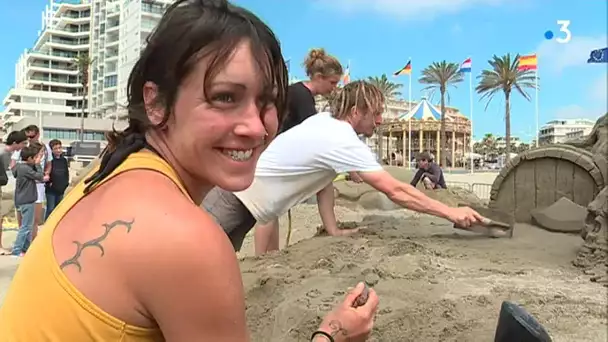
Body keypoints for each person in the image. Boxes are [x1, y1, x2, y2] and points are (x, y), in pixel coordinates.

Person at [0, 1, 378, 341]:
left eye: (267, 101)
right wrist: (331, 336)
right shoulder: (187, 242)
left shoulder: (112, 168)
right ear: (157, 102)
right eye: (225, 97)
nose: (256, 126)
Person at [202, 80, 485, 256]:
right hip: (231, 202)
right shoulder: (342, 139)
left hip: (239, 201)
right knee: (184, 266)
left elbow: (323, 182)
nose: (380, 121)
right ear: (355, 113)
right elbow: (397, 191)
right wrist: (450, 212)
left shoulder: (324, 123)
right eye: (375, 113)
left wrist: (333, 228)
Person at [280, 48, 342, 134]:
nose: (334, 88)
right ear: (319, 77)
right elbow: (313, 133)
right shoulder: (303, 98)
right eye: (332, 82)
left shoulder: (297, 92)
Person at [10, 125, 52, 238]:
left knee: (35, 219)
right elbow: (13, 163)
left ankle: (31, 243)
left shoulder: (45, 148)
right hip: (24, 185)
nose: (29, 138)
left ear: (37, 134)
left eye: (31, 136)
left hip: (38, 185)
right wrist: (19, 173)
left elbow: (49, 164)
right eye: (27, 136)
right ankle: (23, 242)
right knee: (22, 217)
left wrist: (46, 174)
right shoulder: (23, 147)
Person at [11, 145, 49, 257]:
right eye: (35, 157)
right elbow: (40, 176)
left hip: (20, 199)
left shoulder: (19, 167)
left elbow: (14, 172)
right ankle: (17, 250)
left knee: (27, 225)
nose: (37, 159)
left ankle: (26, 248)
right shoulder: (26, 169)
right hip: (27, 200)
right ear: (29, 159)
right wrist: (37, 164)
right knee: (26, 226)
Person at [0, 130, 28, 255]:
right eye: (23, 143)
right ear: (16, 143)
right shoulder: (3, 153)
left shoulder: (7, 153)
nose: (24, 146)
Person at [45, 139, 70, 219]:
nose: (58, 150)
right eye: (55, 148)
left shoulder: (64, 160)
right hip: (51, 189)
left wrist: (66, 183)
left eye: (59, 148)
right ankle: (47, 225)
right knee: (50, 209)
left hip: (61, 188)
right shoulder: (49, 161)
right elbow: (47, 173)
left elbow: (66, 173)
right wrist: (49, 183)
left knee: (58, 209)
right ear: (51, 150)